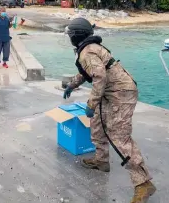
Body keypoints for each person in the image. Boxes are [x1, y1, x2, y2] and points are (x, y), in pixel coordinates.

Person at [63, 18, 156, 203]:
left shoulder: (87, 52)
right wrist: (71, 85)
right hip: (109, 92)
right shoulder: (89, 49)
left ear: (76, 36)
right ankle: (101, 160)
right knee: (97, 124)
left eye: (70, 35)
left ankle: (143, 183)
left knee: (119, 136)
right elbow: (87, 73)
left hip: (120, 94)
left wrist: (91, 104)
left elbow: (100, 77)